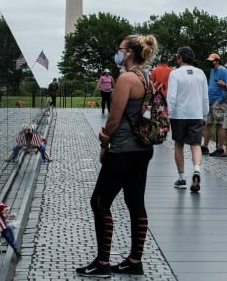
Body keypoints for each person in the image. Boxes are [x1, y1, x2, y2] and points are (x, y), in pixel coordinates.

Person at [76, 34, 158, 278]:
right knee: (135, 203)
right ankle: (135, 260)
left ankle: (102, 263)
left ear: (129, 52)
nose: (118, 52)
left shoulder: (126, 79)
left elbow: (114, 118)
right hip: (143, 149)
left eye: (120, 49)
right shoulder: (146, 77)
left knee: (100, 202)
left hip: (122, 149)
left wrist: (104, 141)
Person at [167, 46, 209, 193]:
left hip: (179, 114)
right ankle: (196, 170)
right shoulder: (201, 73)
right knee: (196, 144)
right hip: (196, 113)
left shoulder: (175, 74)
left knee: (178, 144)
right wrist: (204, 114)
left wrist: (168, 113)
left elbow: (171, 96)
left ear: (179, 58)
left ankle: (181, 178)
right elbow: (205, 96)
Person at [202, 53, 227, 156]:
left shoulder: (223, 70)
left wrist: (222, 99)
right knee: (208, 124)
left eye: (211, 61)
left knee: (219, 125)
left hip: (219, 101)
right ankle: (204, 147)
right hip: (211, 100)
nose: (209, 62)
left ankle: (220, 148)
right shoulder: (212, 71)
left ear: (217, 61)